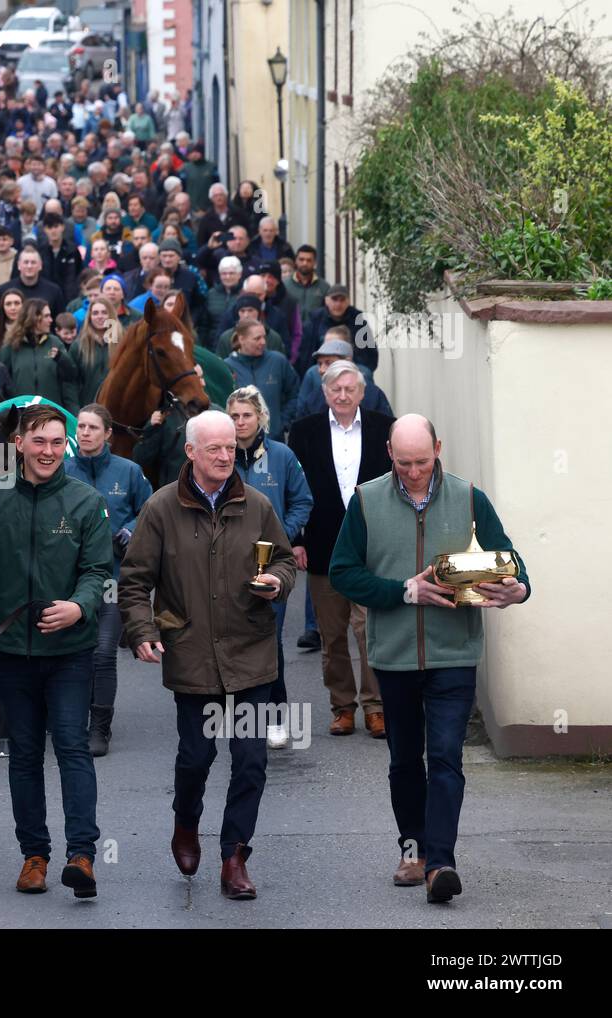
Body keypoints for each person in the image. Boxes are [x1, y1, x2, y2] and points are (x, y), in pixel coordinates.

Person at [330, 414, 530, 903]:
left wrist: (517, 590)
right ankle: (412, 851)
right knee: (404, 760)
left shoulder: (468, 497)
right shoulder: (366, 501)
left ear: (437, 448)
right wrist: (406, 590)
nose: (414, 472)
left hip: (454, 654)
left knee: (445, 756)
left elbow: (509, 559)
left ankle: (440, 863)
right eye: (404, 463)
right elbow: (342, 573)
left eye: (422, 461)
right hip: (394, 657)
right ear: (388, 454)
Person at [0, 404, 113, 899]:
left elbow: (99, 572)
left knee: (72, 748)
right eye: (40, 441)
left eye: (58, 442)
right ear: (18, 443)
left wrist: (78, 607)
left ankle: (82, 856)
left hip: (70, 651)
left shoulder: (85, 500)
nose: (50, 451)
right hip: (12, 650)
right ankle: (34, 857)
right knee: (25, 756)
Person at [119, 410, 296, 900]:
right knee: (196, 758)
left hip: (250, 654)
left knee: (251, 760)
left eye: (230, 447)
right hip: (192, 653)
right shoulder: (160, 510)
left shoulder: (257, 505)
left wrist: (277, 582)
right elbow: (134, 581)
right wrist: (141, 628)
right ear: (191, 452)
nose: (224, 456)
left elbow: (283, 558)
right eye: (213, 448)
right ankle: (185, 821)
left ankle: (235, 855)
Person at [288, 361, 394, 737]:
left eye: (351, 389)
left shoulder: (384, 429)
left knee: (370, 632)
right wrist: (297, 542)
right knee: (332, 636)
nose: (344, 395)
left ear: (362, 393)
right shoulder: (303, 433)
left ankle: (376, 706)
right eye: (336, 389)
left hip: (372, 548)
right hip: (323, 547)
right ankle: (342, 707)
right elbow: (293, 491)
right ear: (326, 393)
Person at [227, 386, 313, 750]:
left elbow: (303, 501)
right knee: (229, 639)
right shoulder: (220, 454)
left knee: (268, 640)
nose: (240, 422)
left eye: (246, 415)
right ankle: (240, 716)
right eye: (234, 416)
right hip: (225, 564)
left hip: (269, 567)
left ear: (260, 417)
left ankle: (276, 717)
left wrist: (282, 536)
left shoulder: (281, 455)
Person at [65, 404, 152, 756]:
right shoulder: (63, 470)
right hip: (69, 580)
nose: (85, 433)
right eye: (81, 427)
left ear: (107, 434)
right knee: (76, 653)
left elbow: (151, 510)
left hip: (115, 578)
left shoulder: (128, 471)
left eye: (92, 428)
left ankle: (100, 726)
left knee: (102, 652)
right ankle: (70, 719)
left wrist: (130, 530)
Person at [223, 320, 299, 441]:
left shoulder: (278, 361)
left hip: (273, 439)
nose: (263, 342)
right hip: (239, 442)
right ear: (241, 339)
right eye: (257, 338)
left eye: (264, 337)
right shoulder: (227, 366)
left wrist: (282, 422)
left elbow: (294, 393)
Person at [0, 299, 79, 411]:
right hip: (21, 415)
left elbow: (71, 376)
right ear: (34, 317)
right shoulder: (11, 346)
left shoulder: (55, 343)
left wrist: (61, 358)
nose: (51, 320)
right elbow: (1, 381)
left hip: (51, 414)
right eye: (46, 316)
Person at [297, 333, 394, 418]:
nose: (321, 370)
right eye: (319, 363)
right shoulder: (314, 399)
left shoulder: (374, 396)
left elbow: (387, 428)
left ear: (347, 361)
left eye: (328, 363)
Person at [0, 247, 66, 331]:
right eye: (26, 262)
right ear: (19, 265)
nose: (29, 266)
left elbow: (61, 324)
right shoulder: (3, 290)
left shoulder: (54, 291)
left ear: (40, 266)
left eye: (33, 262)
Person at [299, 285, 373, 375]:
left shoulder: (359, 321)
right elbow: (305, 354)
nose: (338, 304)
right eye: (334, 299)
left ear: (348, 301)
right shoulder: (315, 320)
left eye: (342, 300)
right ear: (326, 301)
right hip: (321, 372)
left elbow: (370, 354)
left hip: (351, 372)